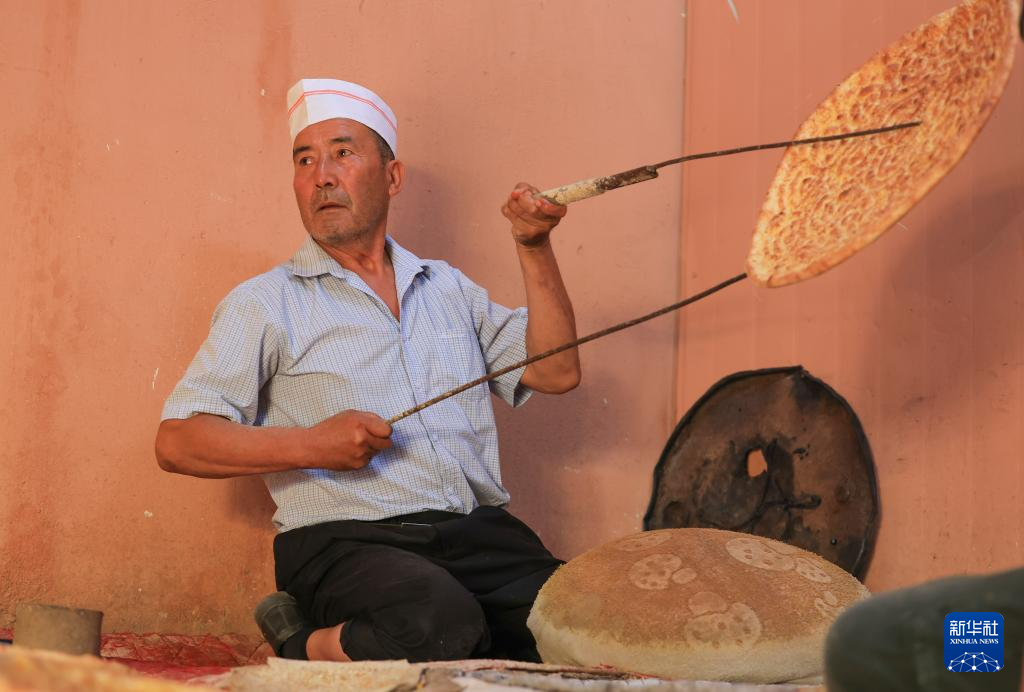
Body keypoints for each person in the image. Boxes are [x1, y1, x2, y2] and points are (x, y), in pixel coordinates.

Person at [154, 78, 581, 663]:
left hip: (476, 535)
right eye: (305, 160)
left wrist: (533, 246)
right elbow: (177, 442)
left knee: (588, 625)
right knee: (438, 624)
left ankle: (452, 632)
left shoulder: (448, 288)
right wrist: (312, 444)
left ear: (392, 177)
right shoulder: (266, 303)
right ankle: (299, 642)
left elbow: (557, 372)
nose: (322, 176)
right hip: (346, 543)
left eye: (343, 153)